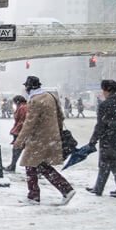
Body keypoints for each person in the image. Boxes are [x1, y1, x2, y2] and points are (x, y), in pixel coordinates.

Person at [13, 75, 75, 206]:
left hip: (38, 139)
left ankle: (35, 195)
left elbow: (29, 123)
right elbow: (60, 116)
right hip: (50, 136)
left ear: (29, 87)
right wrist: (56, 131)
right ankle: (64, 189)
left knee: (31, 165)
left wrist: (19, 140)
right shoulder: (50, 96)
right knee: (40, 165)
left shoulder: (35, 100)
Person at [85, 79, 116, 198]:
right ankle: (99, 188)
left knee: (107, 164)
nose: (103, 92)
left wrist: (93, 140)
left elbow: (100, 125)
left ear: (107, 90)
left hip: (107, 139)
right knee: (114, 163)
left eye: (103, 90)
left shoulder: (104, 105)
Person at [5, 95, 28, 173]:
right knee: (19, 149)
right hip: (21, 131)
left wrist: (16, 130)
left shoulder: (22, 108)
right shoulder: (23, 107)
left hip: (20, 132)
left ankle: (12, 165)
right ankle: (12, 165)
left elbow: (22, 121)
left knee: (17, 149)